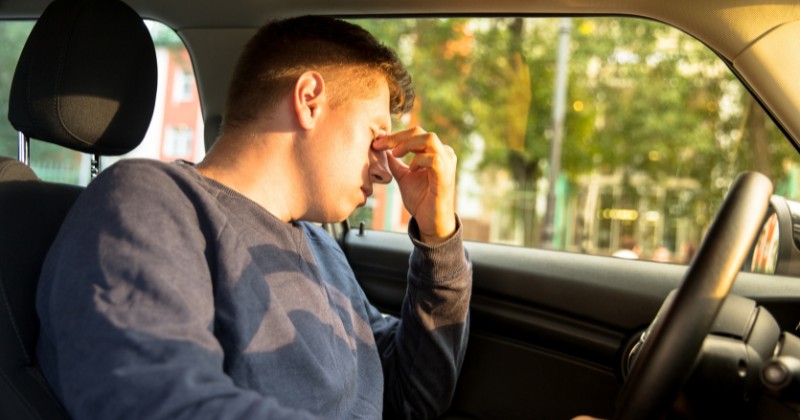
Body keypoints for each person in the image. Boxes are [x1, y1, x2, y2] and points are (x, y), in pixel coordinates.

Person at [36, 16, 472, 420]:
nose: (384, 168)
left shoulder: (322, 248)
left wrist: (438, 238)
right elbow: (158, 398)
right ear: (309, 100)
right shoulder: (147, 203)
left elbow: (410, 397)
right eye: (376, 136)